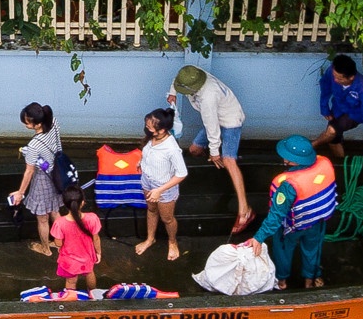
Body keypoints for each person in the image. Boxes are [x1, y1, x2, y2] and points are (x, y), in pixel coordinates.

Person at [242, 136, 339, 290]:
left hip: (291, 228)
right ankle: (310, 280)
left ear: (290, 161)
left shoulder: (287, 185)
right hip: (316, 222)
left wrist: (258, 238)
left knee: (283, 252)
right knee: (313, 249)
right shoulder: (325, 163)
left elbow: (276, 216)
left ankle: (282, 281)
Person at [168, 65, 253, 233]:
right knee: (194, 150)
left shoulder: (208, 97)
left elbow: (212, 126)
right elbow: (179, 80)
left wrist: (215, 152)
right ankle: (218, 163)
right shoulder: (194, 74)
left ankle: (245, 210)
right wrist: (172, 92)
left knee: (229, 160)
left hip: (230, 121)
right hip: (215, 118)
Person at [6, 103, 63, 255]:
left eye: (27, 122)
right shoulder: (54, 122)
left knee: (43, 218)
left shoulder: (34, 145)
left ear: (37, 124)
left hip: (43, 179)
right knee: (55, 210)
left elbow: (29, 171)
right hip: (57, 173)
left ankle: (45, 248)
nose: (25, 124)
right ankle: (59, 242)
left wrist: (20, 192)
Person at [134, 108, 187, 260]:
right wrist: (142, 162)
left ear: (162, 130)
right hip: (147, 180)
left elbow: (182, 173)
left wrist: (159, 190)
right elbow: (151, 153)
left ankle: (172, 242)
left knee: (167, 218)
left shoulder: (171, 149)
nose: (147, 128)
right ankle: (150, 239)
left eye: (150, 127)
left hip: (164, 187)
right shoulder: (152, 139)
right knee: (151, 210)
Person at [314, 54, 363, 158]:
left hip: (355, 114)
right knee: (334, 140)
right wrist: (324, 108)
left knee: (331, 131)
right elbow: (325, 85)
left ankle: (310, 146)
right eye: (334, 76)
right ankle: (341, 163)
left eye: (339, 79)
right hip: (338, 108)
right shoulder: (333, 71)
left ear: (351, 77)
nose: (335, 80)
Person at [48, 186, 103, 294]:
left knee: (71, 281)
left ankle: (71, 300)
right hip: (87, 256)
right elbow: (96, 238)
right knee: (90, 273)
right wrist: (98, 253)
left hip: (69, 260)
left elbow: (58, 243)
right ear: (82, 203)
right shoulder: (92, 218)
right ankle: (93, 294)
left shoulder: (59, 223)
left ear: (64, 203)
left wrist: (61, 246)